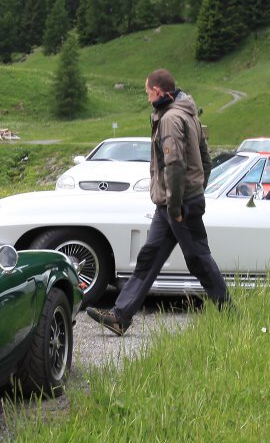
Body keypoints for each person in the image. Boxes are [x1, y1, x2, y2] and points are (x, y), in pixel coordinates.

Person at [86, 69, 230, 336]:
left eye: (148, 92)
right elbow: (206, 160)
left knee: (198, 259)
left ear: (157, 91)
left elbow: (174, 165)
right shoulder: (189, 114)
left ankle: (229, 313)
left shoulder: (171, 119)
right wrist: (196, 190)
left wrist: (177, 205)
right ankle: (120, 316)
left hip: (178, 204)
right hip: (172, 203)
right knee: (149, 258)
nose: (147, 98)